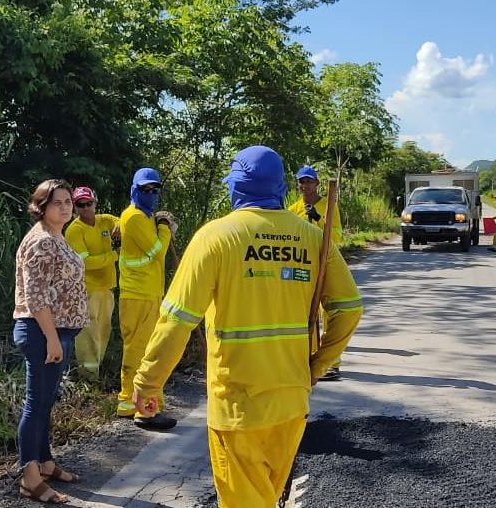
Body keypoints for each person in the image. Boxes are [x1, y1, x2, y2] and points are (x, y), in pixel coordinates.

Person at [132, 146, 363, 508]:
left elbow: (176, 321)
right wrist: (316, 366)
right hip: (290, 402)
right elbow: (349, 309)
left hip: (238, 405)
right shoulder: (313, 238)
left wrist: (147, 382)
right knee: (265, 498)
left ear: (237, 186)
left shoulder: (216, 237)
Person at [12, 179, 88, 503]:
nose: (66, 206)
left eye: (68, 201)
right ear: (41, 206)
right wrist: (53, 339)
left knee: (45, 403)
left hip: (56, 333)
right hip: (43, 333)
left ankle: (45, 463)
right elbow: (36, 295)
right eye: (57, 202)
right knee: (35, 404)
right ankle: (29, 477)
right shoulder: (41, 241)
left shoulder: (57, 236)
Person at [116, 168, 178, 431]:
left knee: (142, 350)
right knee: (143, 352)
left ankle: (133, 403)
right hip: (138, 294)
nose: (150, 195)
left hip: (146, 293)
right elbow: (157, 251)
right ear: (134, 190)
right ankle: (145, 408)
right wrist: (165, 229)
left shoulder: (143, 217)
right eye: (145, 190)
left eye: (154, 190)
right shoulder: (136, 219)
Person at [287, 165, 344, 381]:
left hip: (325, 263)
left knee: (327, 313)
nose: (305, 185)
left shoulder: (329, 206)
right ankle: (304, 357)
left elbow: (336, 237)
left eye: (309, 181)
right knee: (302, 313)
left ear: (317, 184)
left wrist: (319, 217)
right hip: (302, 266)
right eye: (302, 181)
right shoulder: (293, 209)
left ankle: (331, 364)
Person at [64, 186, 119, 382]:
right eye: (80, 204)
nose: (86, 208)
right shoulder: (74, 230)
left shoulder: (105, 220)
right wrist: (114, 255)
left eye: (89, 203)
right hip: (87, 290)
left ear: (95, 203)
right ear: (75, 208)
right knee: (88, 336)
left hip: (107, 288)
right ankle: (87, 378)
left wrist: (121, 227)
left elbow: (121, 223)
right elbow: (85, 262)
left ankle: (96, 375)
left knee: (103, 333)